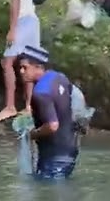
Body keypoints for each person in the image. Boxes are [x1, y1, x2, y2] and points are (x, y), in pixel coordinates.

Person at [17, 45, 79, 179]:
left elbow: (52, 125)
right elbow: (74, 99)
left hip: (54, 157)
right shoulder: (60, 78)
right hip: (70, 151)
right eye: (20, 67)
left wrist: (33, 134)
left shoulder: (40, 92)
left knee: (49, 197)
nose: (21, 71)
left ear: (38, 67)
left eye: (25, 67)